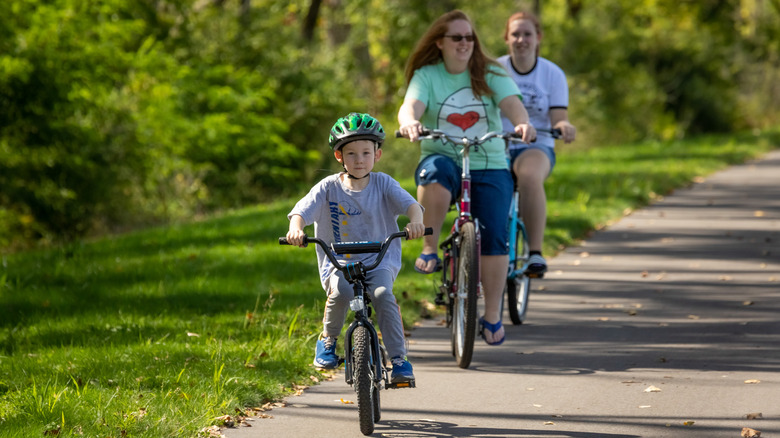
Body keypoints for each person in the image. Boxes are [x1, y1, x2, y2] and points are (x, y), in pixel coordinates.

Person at [397, 10, 536, 346]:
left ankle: (491, 316)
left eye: (469, 37)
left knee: (493, 236)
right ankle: (430, 247)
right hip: (443, 155)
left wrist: (522, 123)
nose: (464, 43)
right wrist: (410, 122)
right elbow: (410, 106)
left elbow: (512, 105)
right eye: (457, 38)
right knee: (434, 174)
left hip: (489, 160)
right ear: (440, 43)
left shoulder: (489, 72)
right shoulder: (427, 74)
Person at [286, 112, 425, 383]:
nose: (359, 160)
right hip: (339, 262)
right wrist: (296, 229)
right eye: (351, 154)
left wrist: (416, 222)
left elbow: (411, 205)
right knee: (341, 291)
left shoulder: (384, 184)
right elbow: (301, 211)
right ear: (339, 157)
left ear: (378, 154)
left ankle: (399, 359)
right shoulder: (327, 188)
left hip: (379, 260)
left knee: (383, 294)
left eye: (365, 152)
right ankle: (328, 341)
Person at [498, 11, 577, 276]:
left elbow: (558, 117)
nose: (521, 40)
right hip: (497, 145)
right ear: (506, 39)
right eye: (515, 34)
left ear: (538, 37)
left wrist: (563, 127)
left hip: (537, 145)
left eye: (527, 34)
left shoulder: (552, 74)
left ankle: (535, 254)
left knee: (529, 175)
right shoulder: (495, 69)